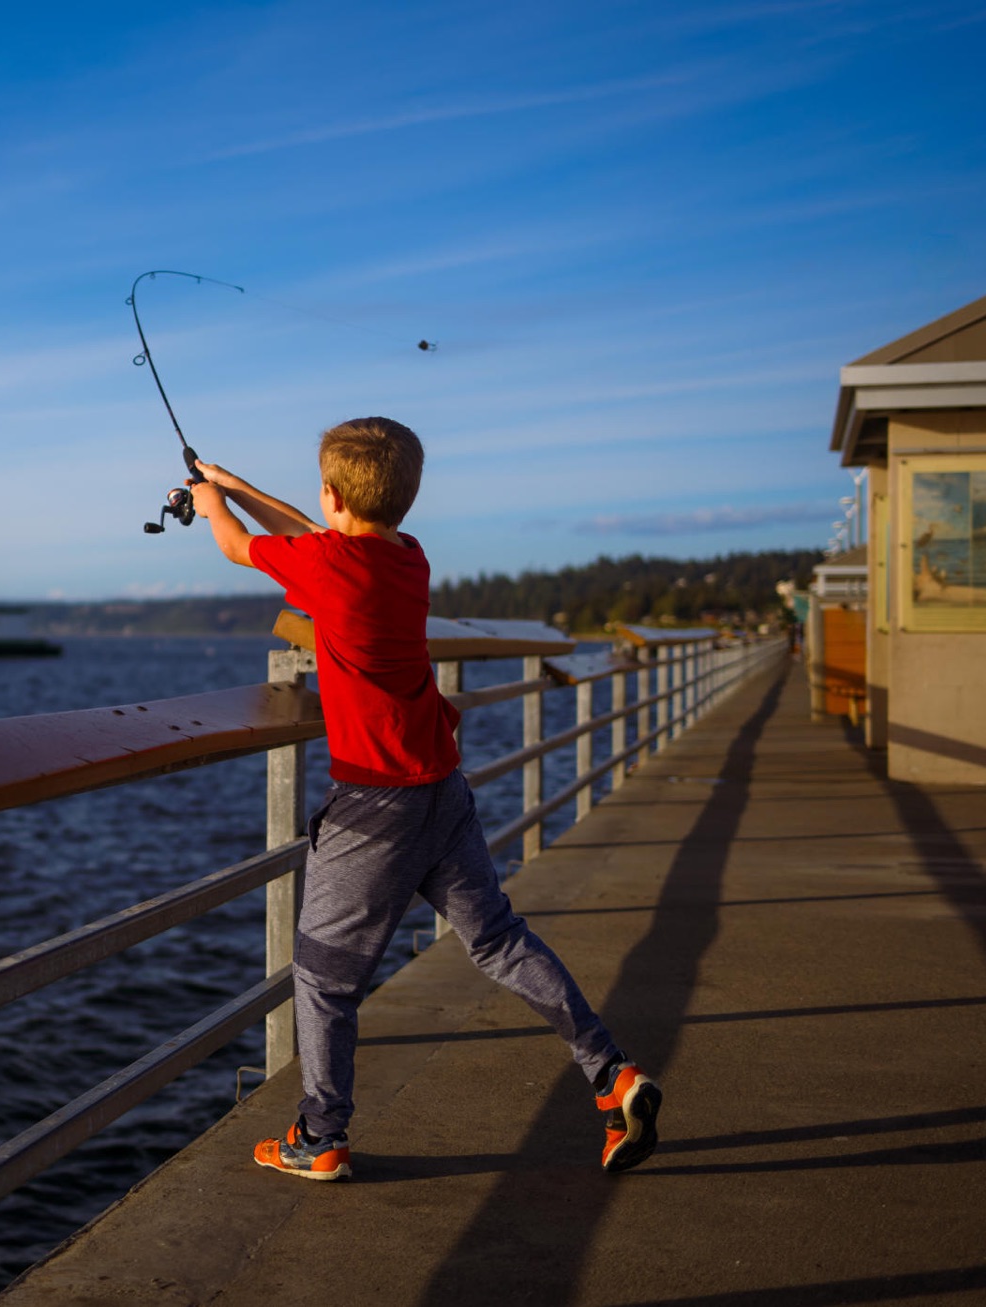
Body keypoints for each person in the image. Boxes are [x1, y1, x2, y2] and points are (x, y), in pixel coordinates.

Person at [188, 416, 660, 1182]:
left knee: (324, 978)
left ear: (332, 494)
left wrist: (210, 505)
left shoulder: (330, 563)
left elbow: (240, 546)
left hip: (373, 805)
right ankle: (611, 1072)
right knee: (498, 939)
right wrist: (233, 485)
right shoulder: (408, 556)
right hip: (442, 788)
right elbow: (313, 531)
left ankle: (321, 1134)